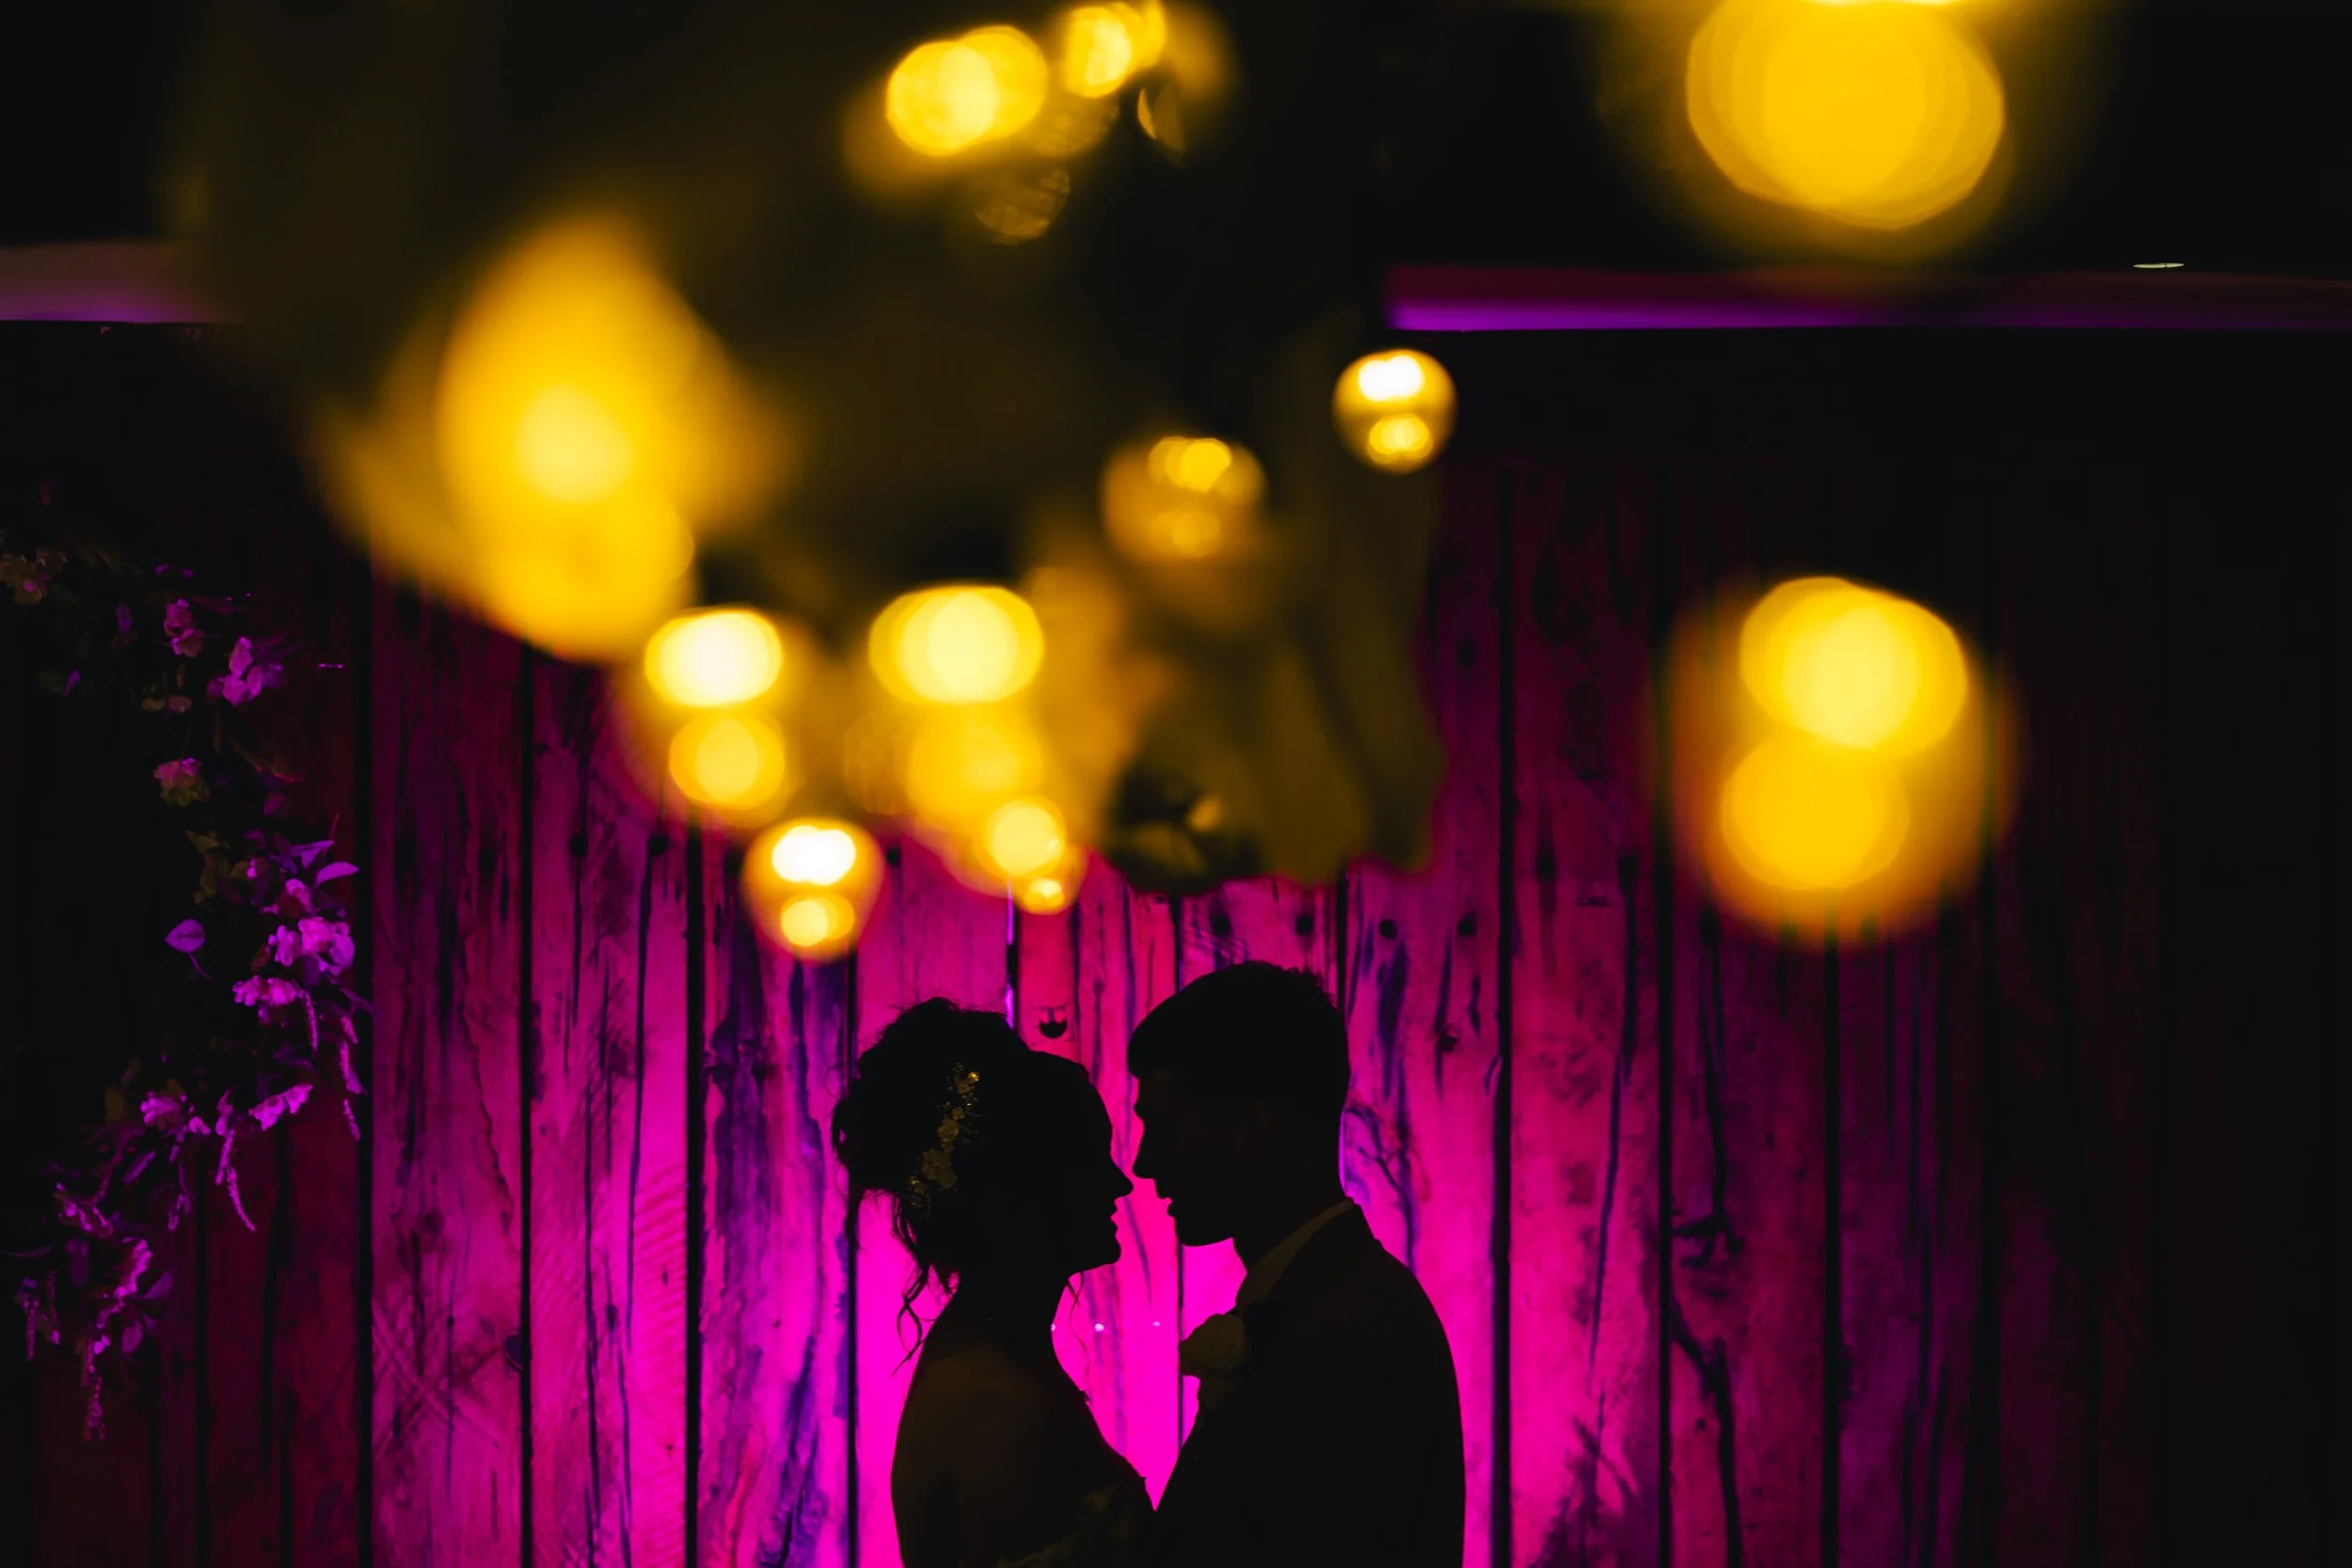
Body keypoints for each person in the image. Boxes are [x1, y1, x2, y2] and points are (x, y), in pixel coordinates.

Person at [1130, 962, 1465, 1568]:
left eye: (1165, 1130)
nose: (1144, 1163)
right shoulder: (1321, 1300)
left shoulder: (1342, 1332)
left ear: (1255, 1133)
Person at [833, 1000, 1151, 1568]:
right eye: (1088, 1161)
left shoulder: (1006, 1360)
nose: (1119, 1184)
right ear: (1020, 1197)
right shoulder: (992, 1404)